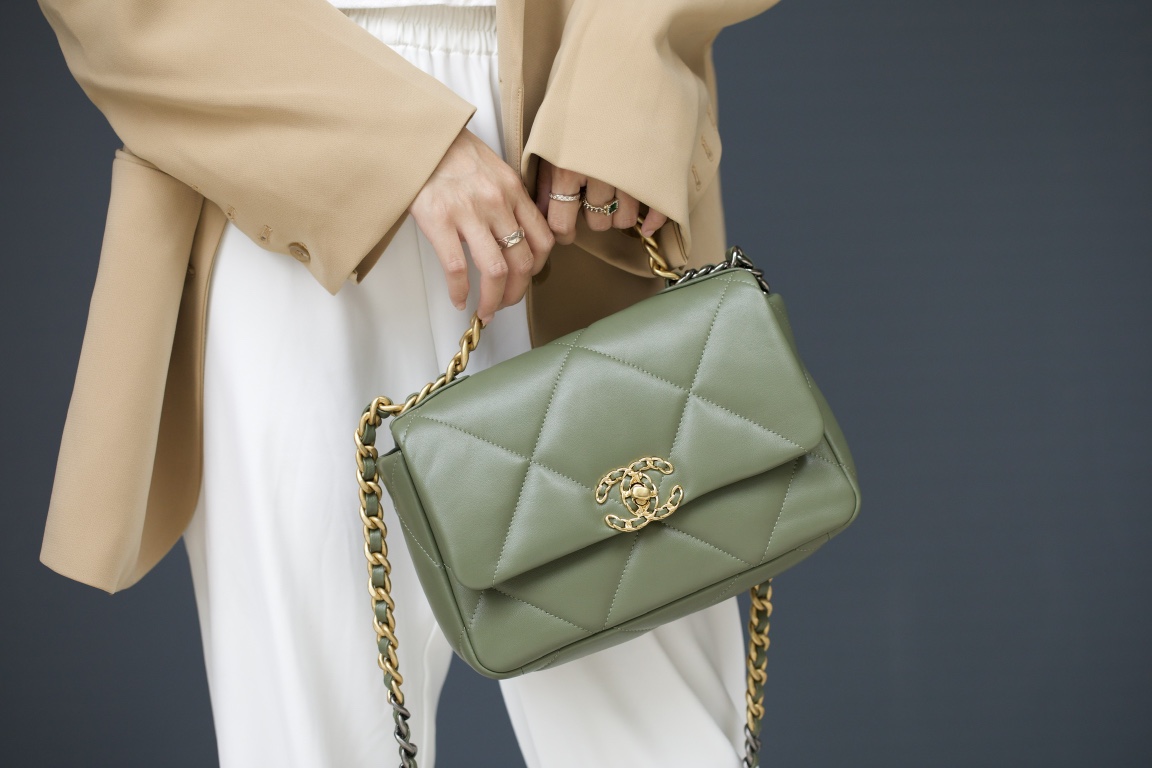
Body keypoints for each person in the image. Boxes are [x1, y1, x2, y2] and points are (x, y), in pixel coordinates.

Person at [36, 0, 783, 765]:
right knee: (311, 741)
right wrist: (398, 143)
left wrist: (620, 65)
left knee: (669, 735)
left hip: (570, 147)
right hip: (273, 148)